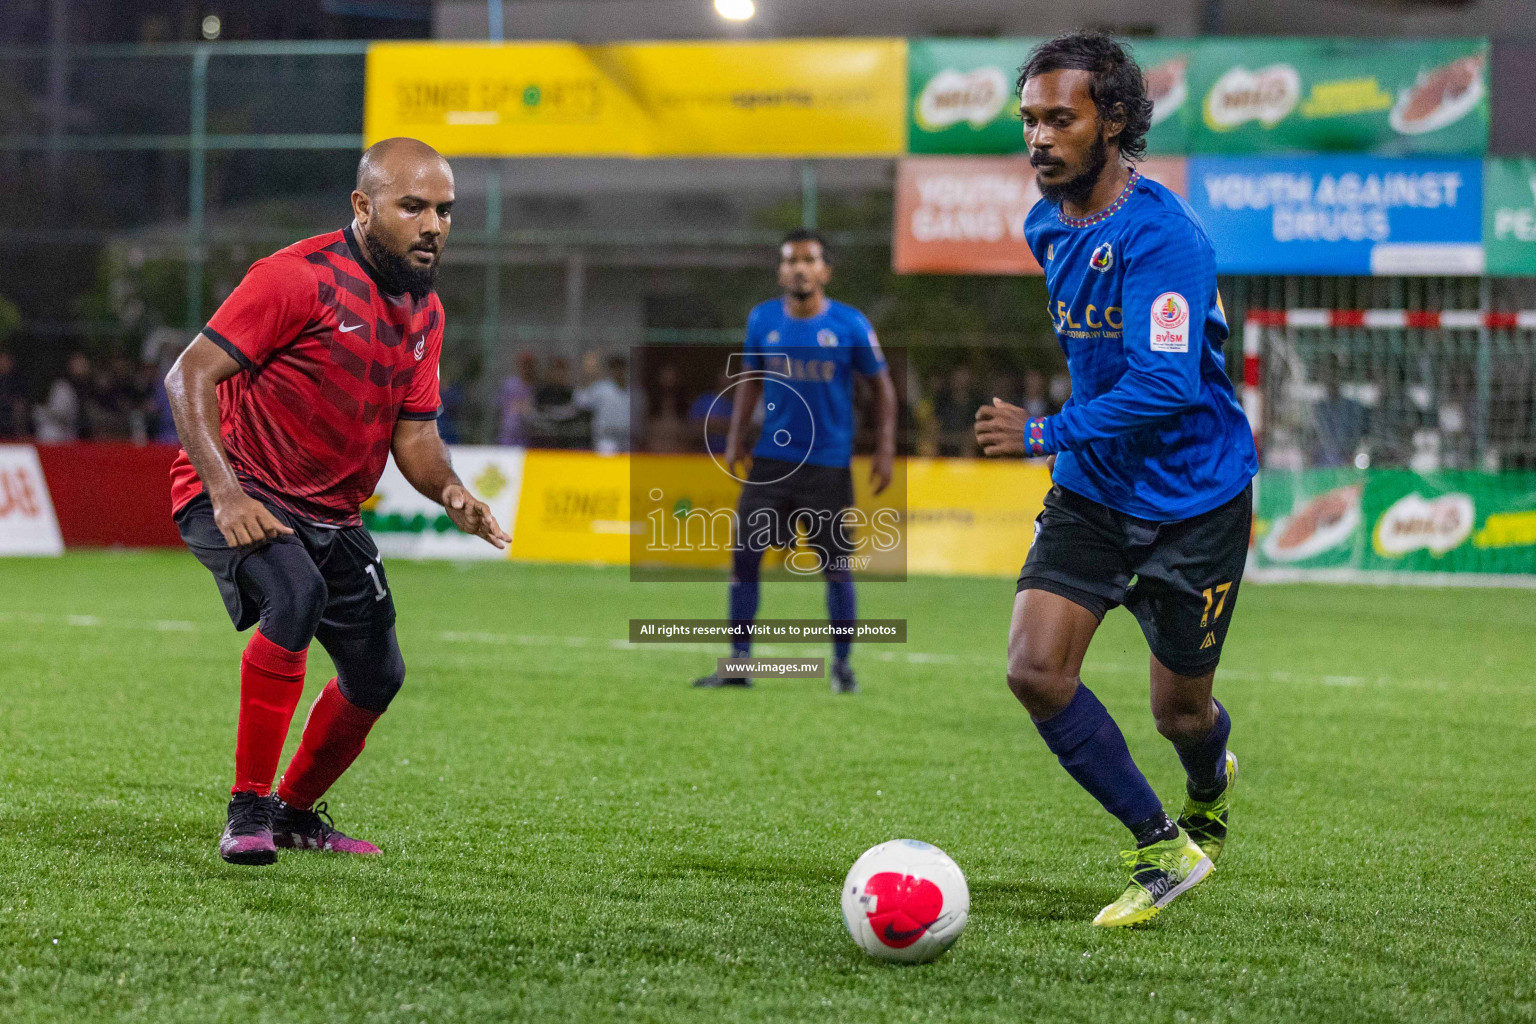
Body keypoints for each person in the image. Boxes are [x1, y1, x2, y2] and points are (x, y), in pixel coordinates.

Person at [973, 33, 1258, 928]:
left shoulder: (1165, 236)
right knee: (1034, 669)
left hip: (1195, 501)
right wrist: (1069, 444)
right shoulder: (1044, 222)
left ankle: (1210, 779)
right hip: (1095, 491)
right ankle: (1160, 847)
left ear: (1117, 120)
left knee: (1181, 714)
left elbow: (1167, 384)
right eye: (1029, 119)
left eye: (1062, 117)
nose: (1040, 137)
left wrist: (1044, 430)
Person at [164, 137, 509, 867]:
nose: (433, 226)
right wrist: (225, 495)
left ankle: (292, 813)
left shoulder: (426, 311)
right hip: (235, 486)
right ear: (363, 205)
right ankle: (247, 812)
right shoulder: (297, 278)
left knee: (379, 674)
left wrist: (450, 490)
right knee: (295, 593)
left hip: (332, 513)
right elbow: (187, 375)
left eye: (444, 210)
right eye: (413, 206)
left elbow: (414, 437)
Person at [691, 228, 898, 694]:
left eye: (809, 260)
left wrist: (884, 449)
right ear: (781, 270)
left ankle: (842, 668)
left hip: (826, 465)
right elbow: (750, 379)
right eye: (790, 260)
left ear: (825, 270)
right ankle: (738, 664)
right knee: (744, 557)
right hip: (771, 461)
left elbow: (882, 390)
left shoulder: (849, 324)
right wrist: (736, 437)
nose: (799, 268)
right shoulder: (762, 319)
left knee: (835, 566)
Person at [573, 352, 631, 454]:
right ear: (611, 370)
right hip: (606, 439)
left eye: (621, 368)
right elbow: (581, 401)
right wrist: (587, 374)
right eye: (615, 368)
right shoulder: (602, 387)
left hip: (628, 439)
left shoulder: (634, 391)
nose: (619, 371)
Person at [34, 352, 92, 442]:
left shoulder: (90, 384)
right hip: (62, 432)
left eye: (83, 364)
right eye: (78, 363)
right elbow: (59, 412)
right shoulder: (63, 385)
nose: (81, 367)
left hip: (82, 430)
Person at [497, 351, 538, 446]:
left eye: (530, 365)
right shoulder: (510, 384)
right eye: (525, 365)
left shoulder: (535, 387)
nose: (527, 368)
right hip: (509, 436)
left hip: (528, 438)